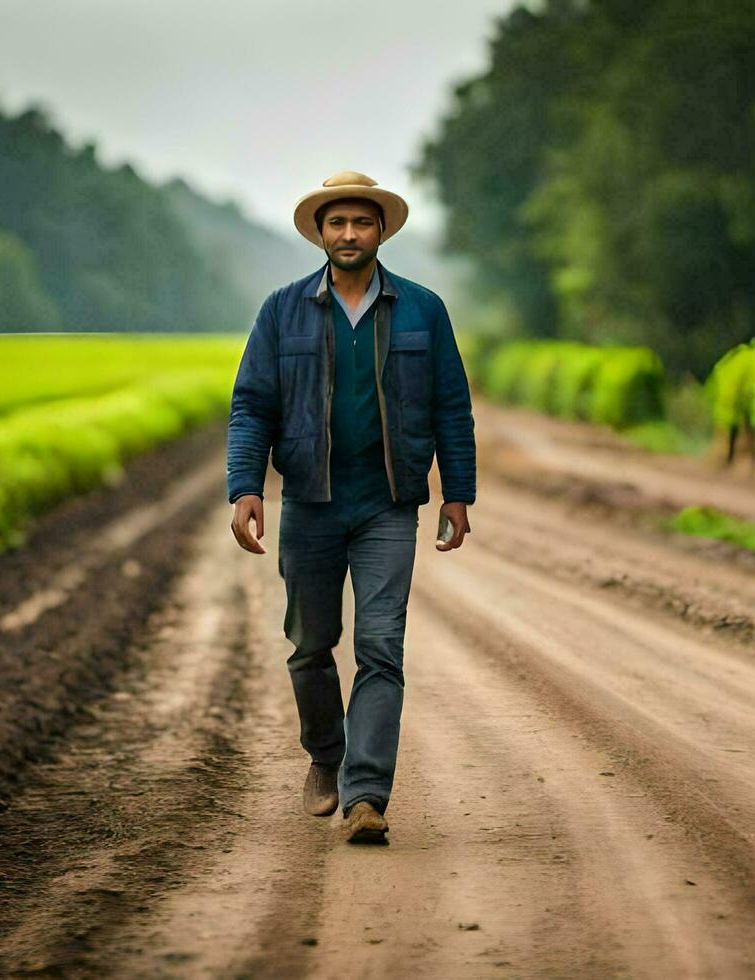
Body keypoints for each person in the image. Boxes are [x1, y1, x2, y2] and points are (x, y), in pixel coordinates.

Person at [225, 170, 476, 845]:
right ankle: (326, 755)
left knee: (380, 646)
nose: (348, 234)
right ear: (319, 233)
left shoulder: (423, 310)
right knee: (310, 647)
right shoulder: (283, 311)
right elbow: (252, 403)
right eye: (336, 223)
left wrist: (458, 492)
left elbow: (452, 405)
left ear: (380, 231)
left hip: (387, 506)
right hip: (310, 503)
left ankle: (366, 794)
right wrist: (245, 486)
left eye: (361, 223)